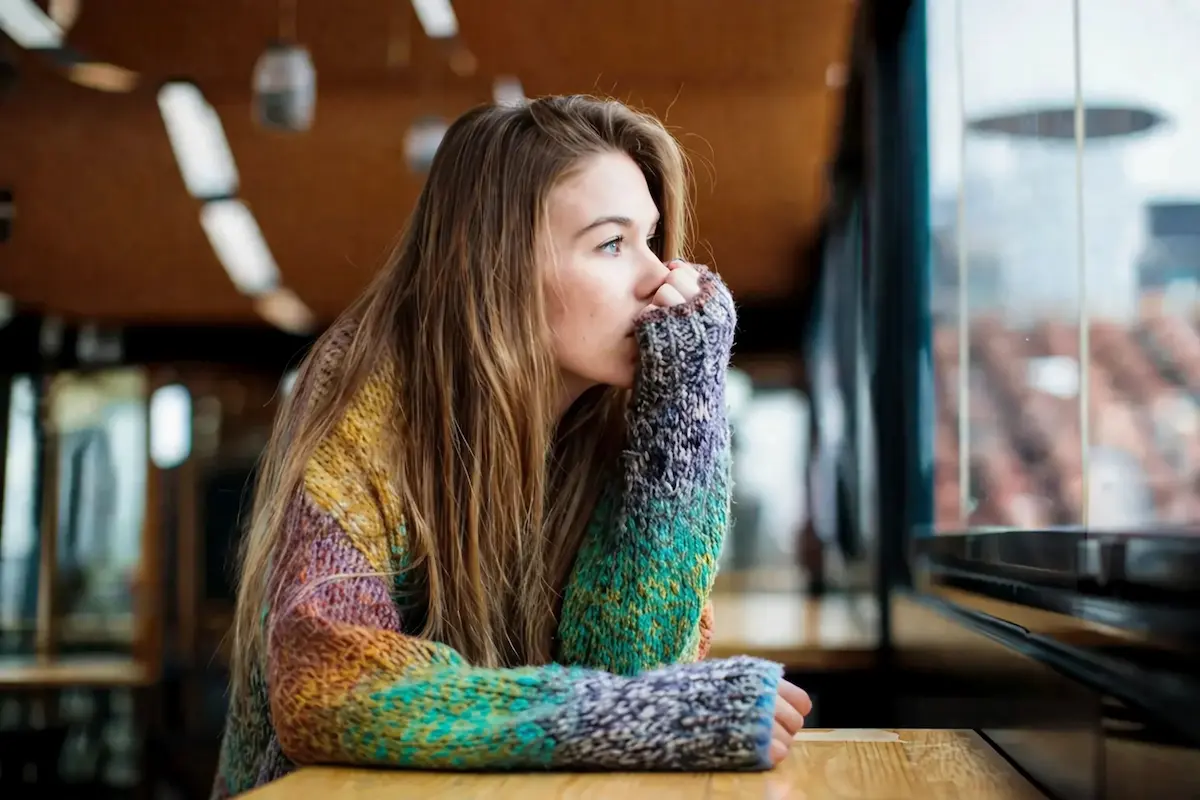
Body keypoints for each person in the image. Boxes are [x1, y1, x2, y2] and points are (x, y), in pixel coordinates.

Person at [212, 94, 811, 798]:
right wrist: (659, 713)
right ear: (497, 268)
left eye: (651, 239)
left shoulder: (619, 420)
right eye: (612, 244)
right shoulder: (367, 406)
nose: (660, 278)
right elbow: (329, 687)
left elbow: (629, 671)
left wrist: (686, 399)